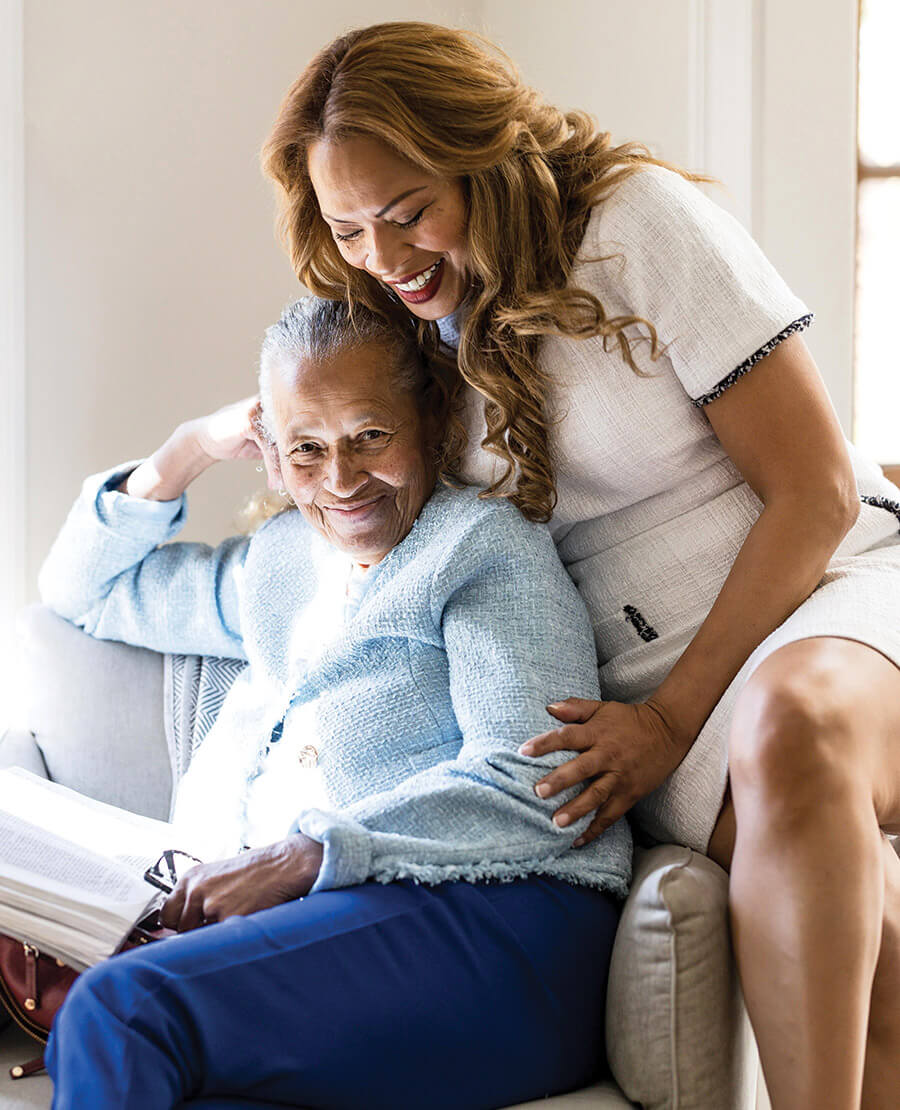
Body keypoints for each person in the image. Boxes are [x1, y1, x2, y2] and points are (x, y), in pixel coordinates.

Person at [258, 21, 900, 1109]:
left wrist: (671, 723)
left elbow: (817, 492)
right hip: (639, 690)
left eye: (409, 211)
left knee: (791, 726)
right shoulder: (397, 325)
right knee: (871, 940)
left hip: (823, 593)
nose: (386, 256)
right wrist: (195, 456)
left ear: (479, 155)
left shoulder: (632, 220)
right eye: (349, 227)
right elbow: (323, 446)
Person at [39, 297, 630, 1110]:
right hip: (340, 947)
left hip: (500, 922)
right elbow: (84, 592)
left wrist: (300, 857)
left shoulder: (483, 548)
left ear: (430, 418)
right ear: (273, 457)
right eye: (307, 449)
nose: (343, 480)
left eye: (370, 436)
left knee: (120, 1009)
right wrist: (191, 447)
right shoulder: (280, 562)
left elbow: (540, 783)